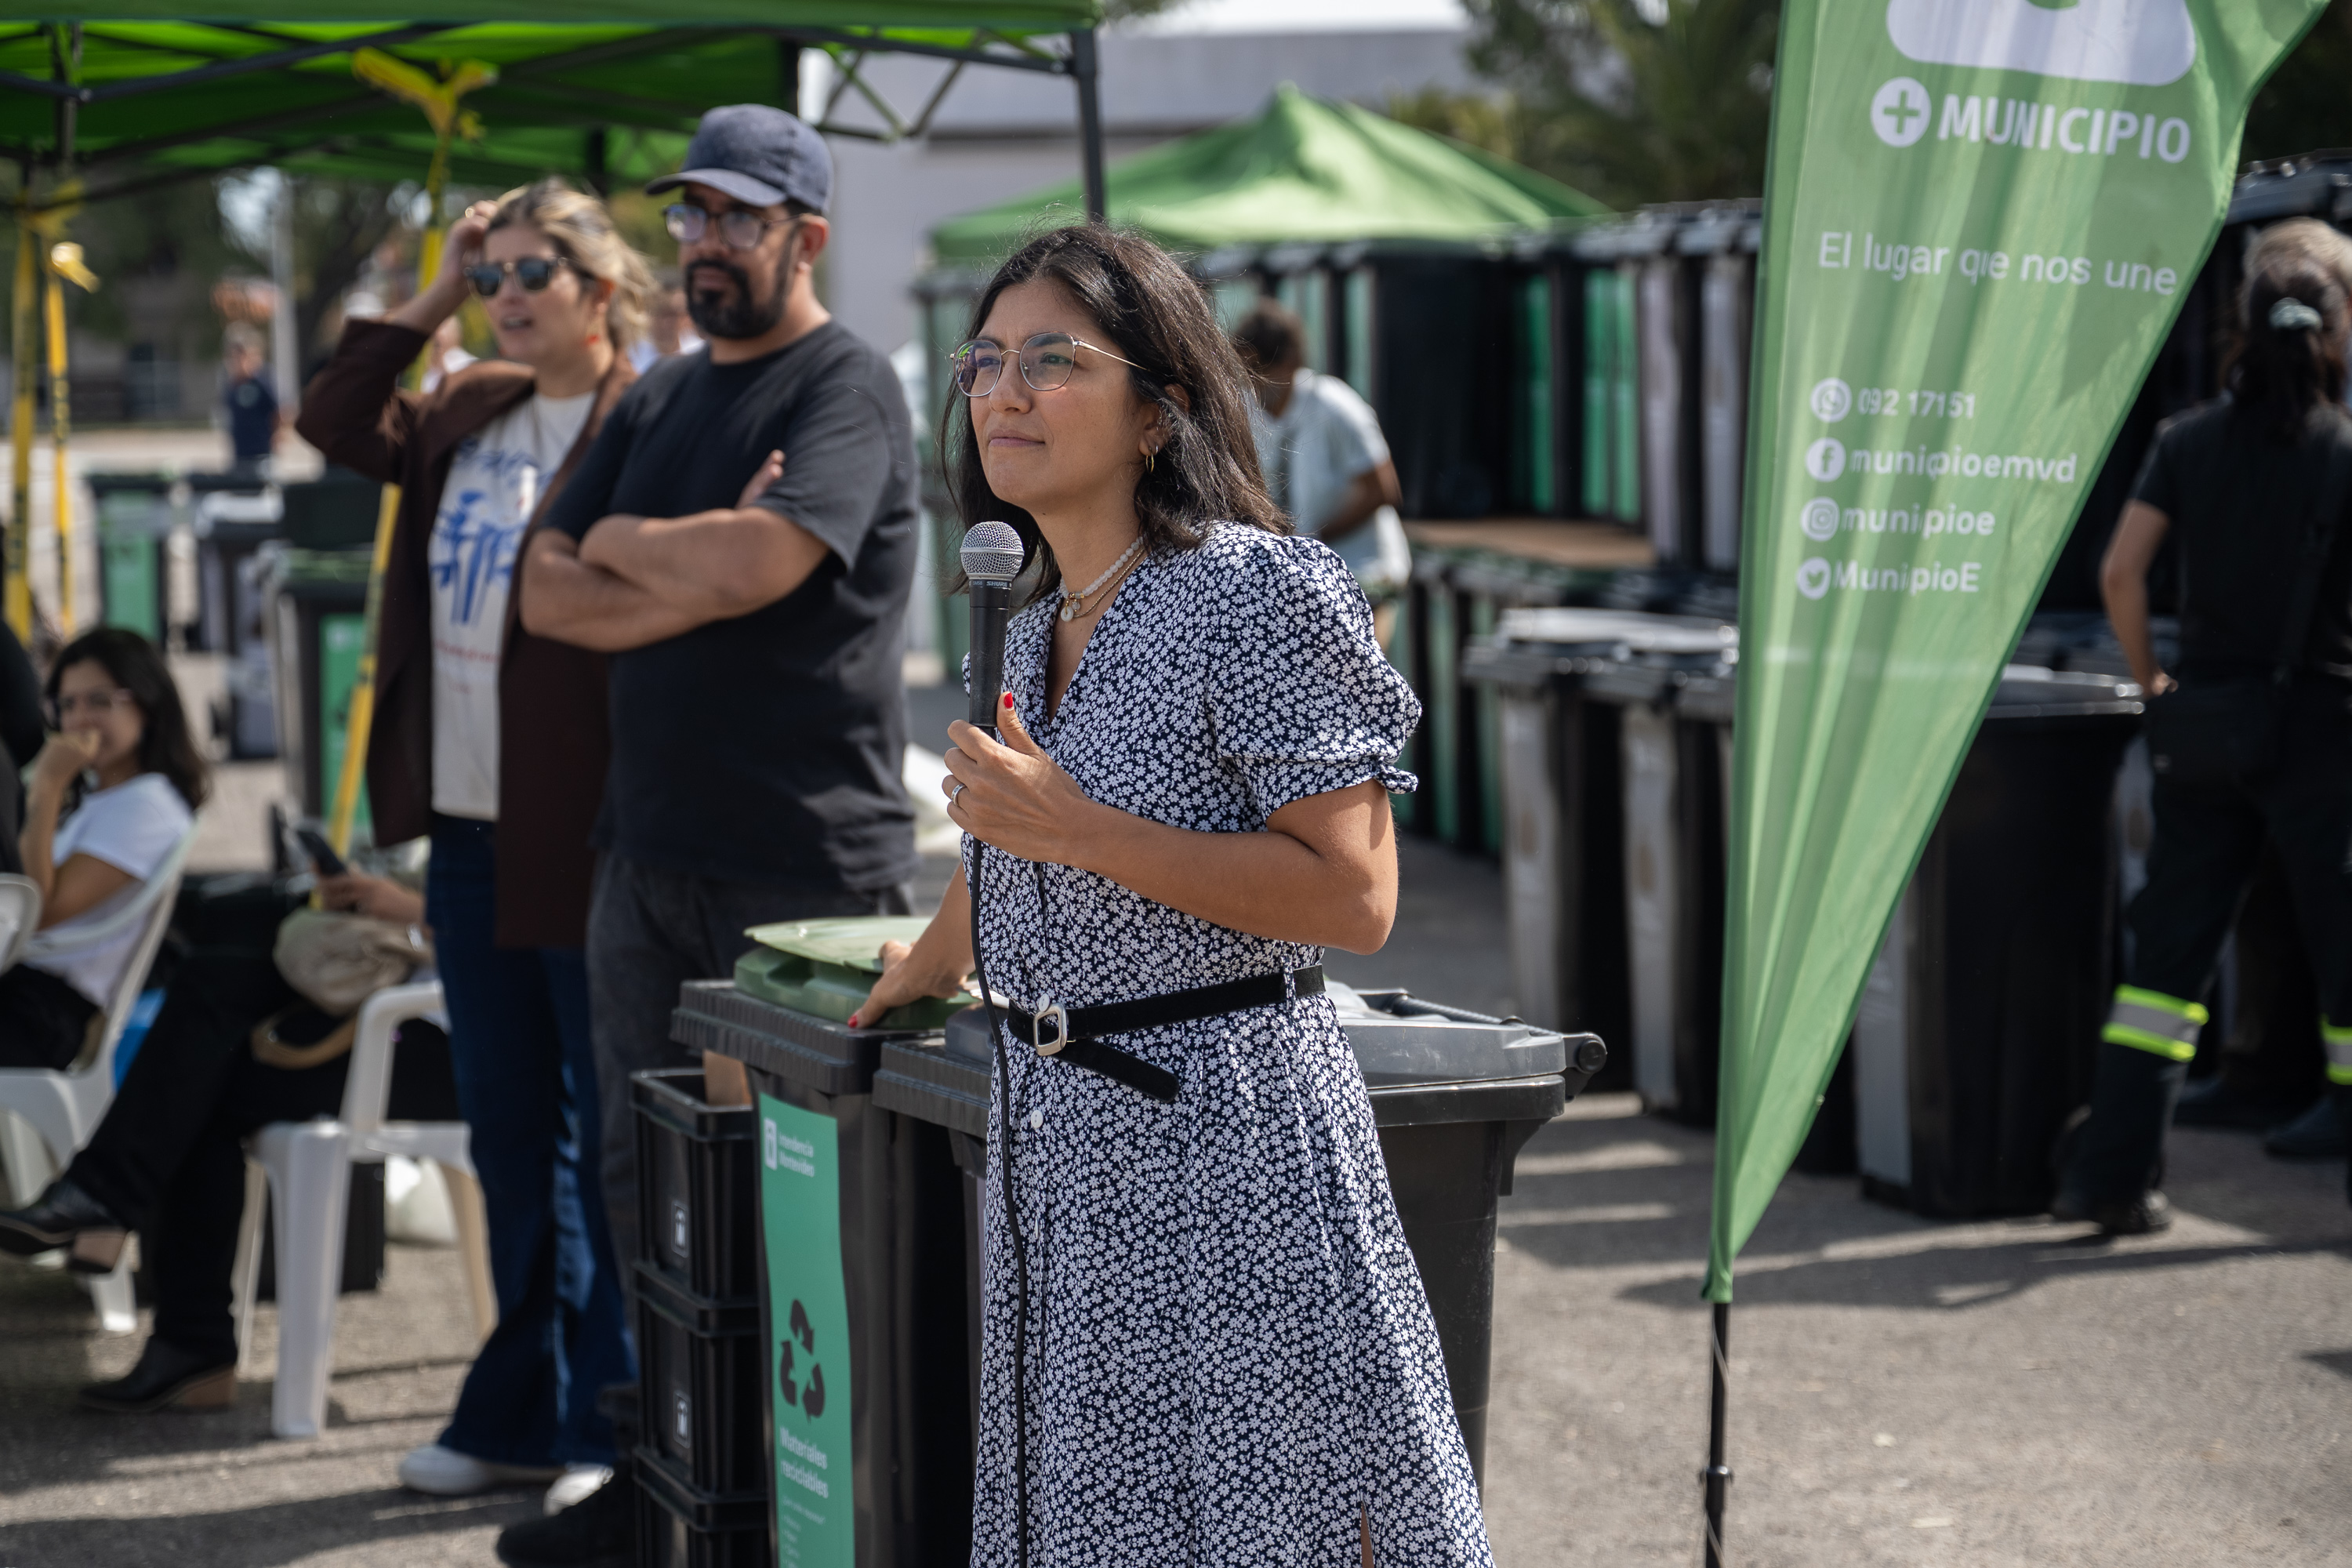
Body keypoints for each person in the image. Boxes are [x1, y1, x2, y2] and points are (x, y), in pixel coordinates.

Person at [851, 225, 1487, 1566]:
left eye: (1053, 361)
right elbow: (1014, 839)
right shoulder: (1027, 618)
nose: (1004, 392)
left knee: (1259, 1524)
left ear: (1160, 411)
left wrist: (1078, 828)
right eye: (984, 362)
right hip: (1060, 1151)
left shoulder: (1256, 592)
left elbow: (1356, 897)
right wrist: (936, 957)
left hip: (1224, 1147)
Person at [296, 177, 648, 1509]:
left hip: (587, 829)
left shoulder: (647, 416)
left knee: (604, 1138)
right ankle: (519, 1412)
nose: (507, 296)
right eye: (491, 276)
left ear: (599, 289)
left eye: (529, 273)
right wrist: (434, 286)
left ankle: (610, 1429)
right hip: (465, 831)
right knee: (507, 1134)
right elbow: (333, 416)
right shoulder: (468, 407)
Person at [519, 103, 918, 1278]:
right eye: (692, 216)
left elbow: (758, 564)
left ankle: (786, 1414)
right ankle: (661, 1405)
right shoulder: (655, 396)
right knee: (646, 1174)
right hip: (642, 856)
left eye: (738, 219)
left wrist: (623, 542)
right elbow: (542, 593)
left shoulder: (846, 388)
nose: (704, 242)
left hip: (802, 864)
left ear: (808, 239)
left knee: (808, 1191)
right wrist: (702, 565)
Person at [2053, 220, 2352, 1236]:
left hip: (2207, 730)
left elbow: (2120, 572)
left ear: (2240, 328)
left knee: (2166, 968)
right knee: (2345, 958)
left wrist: (2154, 681)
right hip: (2326, 729)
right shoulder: (2344, 452)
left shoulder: (2186, 441)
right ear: (2336, 331)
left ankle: (2108, 1179)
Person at [0, 868, 458, 1413]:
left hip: (455, 1050)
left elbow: (523, 933)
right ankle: (114, 1219)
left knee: (200, 1079)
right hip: (407, 1003)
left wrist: (411, 909)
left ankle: (165, 1302)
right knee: (211, 1000)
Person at [0, 630, 202, 1069]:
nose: (80, 721)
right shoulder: (105, 796)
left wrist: (47, 787)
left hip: (41, 1012)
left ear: (147, 704)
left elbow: (41, 911)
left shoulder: (147, 804)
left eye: (100, 701)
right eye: (67, 705)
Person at [1232, 297, 1410, 640]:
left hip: (1364, 574)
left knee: (1357, 670)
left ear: (1291, 362)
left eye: (1260, 369)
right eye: (1246, 371)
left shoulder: (1335, 405)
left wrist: (1316, 537)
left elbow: (1383, 488)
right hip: (1305, 577)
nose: (1253, 382)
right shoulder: (1247, 408)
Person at [220, 322, 280, 480]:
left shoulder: (262, 382)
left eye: (240, 355)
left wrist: (277, 438)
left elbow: (280, 412)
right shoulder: (232, 386)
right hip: (240, 456)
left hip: (260, 455)